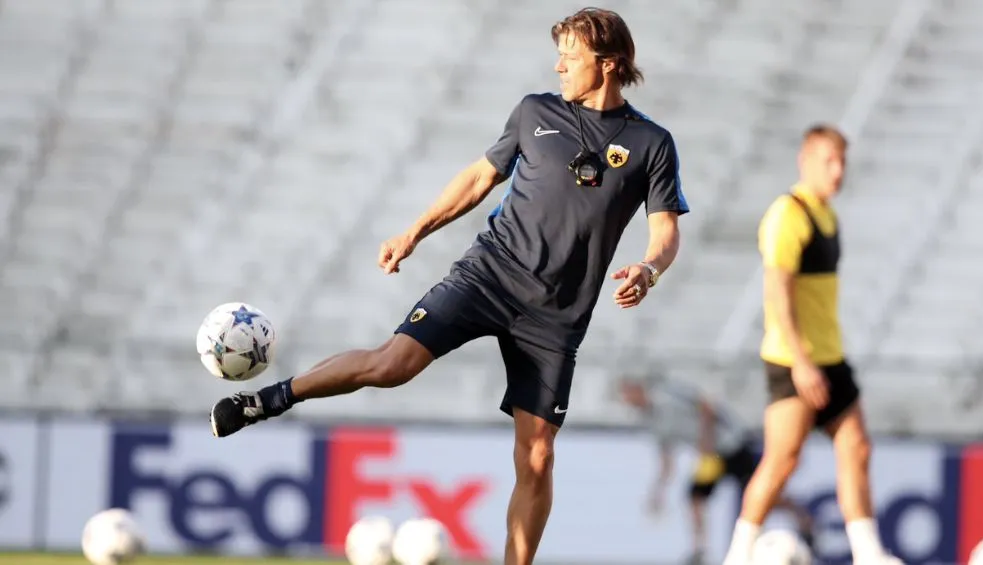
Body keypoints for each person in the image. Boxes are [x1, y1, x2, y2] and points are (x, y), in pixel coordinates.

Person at [209, 8, 689, 565]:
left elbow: (666, 232)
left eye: (571, 56)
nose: (558, 65)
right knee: (391, 367)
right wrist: (414, 231)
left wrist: (648, 270)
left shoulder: (651, 143)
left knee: (537, 458)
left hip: (555, 316)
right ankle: (268, 399)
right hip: (489, 274)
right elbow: (479, 178)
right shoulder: (535, 113)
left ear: (608, 65)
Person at [721, 125, 901, 565]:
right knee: (782, 459)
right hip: (793, 359)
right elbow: (778, 291)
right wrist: (801, 362)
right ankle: (739, 554)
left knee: (856, 445)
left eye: (842, 162)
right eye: (829, 161)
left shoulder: (827, 215)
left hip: (830, 356)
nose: (837, 172)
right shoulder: (789, 214)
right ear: (805, 161)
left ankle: (867, 553)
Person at [619, 375, 814, 565]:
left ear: (638, 389)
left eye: (629, 394)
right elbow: (666, 458)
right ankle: (699, 552)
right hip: (711, 458)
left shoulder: (667, 394)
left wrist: (707, 439)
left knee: (764, 495)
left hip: (731, 445)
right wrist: (659, 491)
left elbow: (706, 405)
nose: (629, 401)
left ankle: (805, 521)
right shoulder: (651, 422)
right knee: (695, 497)